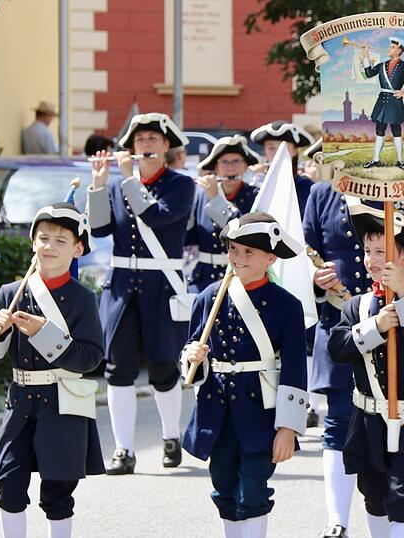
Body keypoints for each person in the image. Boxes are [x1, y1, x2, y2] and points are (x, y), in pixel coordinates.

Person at [304, 147, 404, 538]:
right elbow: (308, 251)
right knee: (341, 423)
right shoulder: (323, 193)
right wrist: (318, 282)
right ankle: (337, 519)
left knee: (401, 489)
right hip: (347, 313)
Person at [181, 212, 308, 538]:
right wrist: (192, 357)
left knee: (253, 489)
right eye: (234, 250)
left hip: (260, 411)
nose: (238, 258)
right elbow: (189, 356)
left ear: (271, 258)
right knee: (223, 487)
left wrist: (288, 428)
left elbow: (295, 369)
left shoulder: (286, 305)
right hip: (217, 409)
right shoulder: (209, 296)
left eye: (249, 252)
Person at [0, 203, 105, 538]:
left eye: (60, 241)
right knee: (8, 484)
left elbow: (91, 358)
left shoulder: (83, 299)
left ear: (78, 249)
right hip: (21, 402)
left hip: (62, 402)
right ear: (32, 243)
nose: (49, 246)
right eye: (43, 238)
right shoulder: (11, 292)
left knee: (58, 492)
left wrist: (44, 333)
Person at [87, 112, 195, 475]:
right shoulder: (119, 185)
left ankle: (169, 436)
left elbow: (155, 217)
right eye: (139, 141)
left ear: (166, 146)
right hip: (121, 289)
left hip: (161, 288)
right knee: (118, 370)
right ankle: (123, 449)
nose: (145, 146)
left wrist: (128, 180)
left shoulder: (181, 185)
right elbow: (100, 230)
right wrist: (99, 185)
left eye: (153, 140)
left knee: (164, 368)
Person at [186, 135, 261, 293]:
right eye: (224, 162)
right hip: (204, 280)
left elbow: (243, 233)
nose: (230, 167)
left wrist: (215, 199)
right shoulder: (201, 194)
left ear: (245, 167)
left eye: (236, 161)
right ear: (216, 168)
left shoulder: (255, 196)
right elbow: (188, 237)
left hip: (242, 279)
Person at [359, 37, 404, 170]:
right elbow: (368, 73)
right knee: (379, 130)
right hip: (382, 100)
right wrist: (365, 55)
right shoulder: (382, 65)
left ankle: (400, 161)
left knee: (396, 130)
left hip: (394, 101)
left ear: (399, 50)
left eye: (392, 47)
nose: (389, 49)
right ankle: (376, 160)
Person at [250, 120, 316, 216]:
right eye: (271, 148)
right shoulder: (255, 187)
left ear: (294, 151)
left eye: (283, 148)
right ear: (264, 150)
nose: (278, 154)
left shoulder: (308, 189)